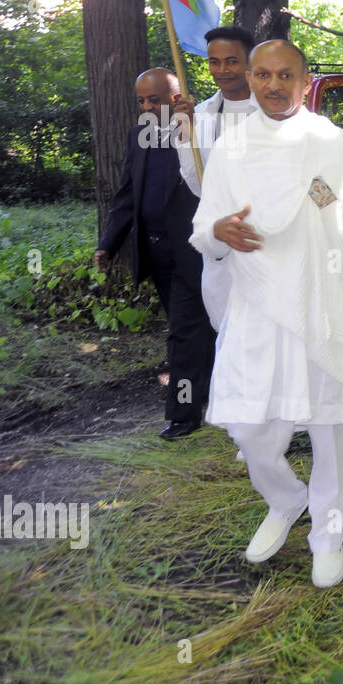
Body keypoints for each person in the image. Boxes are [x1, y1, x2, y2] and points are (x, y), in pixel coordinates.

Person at [189, 39, 343, 589]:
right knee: (248, 428)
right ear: (251, 80)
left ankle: (328, 534)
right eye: (262, 75)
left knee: (329, 428)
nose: (273, 85)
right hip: (255, 302)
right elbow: (204, 224)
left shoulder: (327, 143)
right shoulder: (231, 148)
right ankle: (285, 500)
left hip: (317, 297)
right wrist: (218, 232)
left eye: (284, 75)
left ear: (305, 81)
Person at [95, 68, 214, 440]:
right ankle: (209, 392)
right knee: (197, 331)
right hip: (156, 251)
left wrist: (189, 126)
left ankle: (183, 414)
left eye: (155, 99)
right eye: (141, 101)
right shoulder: (138, 136)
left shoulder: (200, 131)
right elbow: (128, 193)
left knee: (182, 333)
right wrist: (108, 243)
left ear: (176, 97)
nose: (147, 107)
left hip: (195, 250)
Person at [173, 26, 260, 329]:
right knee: (229, 338)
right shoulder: (200, 115)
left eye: (231, 61)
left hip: (269, 243)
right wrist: (185, 131)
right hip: (222, 248)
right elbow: (199, 186)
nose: (221, 70)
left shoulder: (273, 112)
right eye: (214, 61)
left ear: (249, 62)